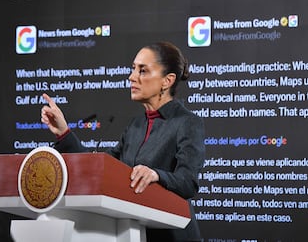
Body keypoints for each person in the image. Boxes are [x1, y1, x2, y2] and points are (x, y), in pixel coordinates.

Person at [41, 41, 206, 242]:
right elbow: (99, 167)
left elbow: (188, 182)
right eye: (133, 68)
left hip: (172, 236)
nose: (132, 77)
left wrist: (156, 175)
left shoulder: (187, 122)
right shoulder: (136, 125)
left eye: (142, 71)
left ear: (167, 81)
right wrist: (64, 132)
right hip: (132, 234)